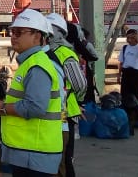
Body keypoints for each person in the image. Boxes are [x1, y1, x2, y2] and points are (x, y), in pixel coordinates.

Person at [0, 9, 64, 177]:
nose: (13, 36)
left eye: (19, 32)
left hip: (36, 153)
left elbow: (35, 107)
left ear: (37, 36)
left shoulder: (37, 66)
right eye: (13, 31)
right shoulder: (30, 63)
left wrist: (2, 108)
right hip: (29, 152)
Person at [48, 13, 87, 176]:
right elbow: (80, 85)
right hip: (56, 112)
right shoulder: (49, 53)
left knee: (62, 157)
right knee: (58, 156)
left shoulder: (63, 54)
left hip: (61, 112)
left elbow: (80, 85)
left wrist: (76, 101)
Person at [117, 29, 138, 106]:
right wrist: (119, 75)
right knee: (124, 95)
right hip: (126, 73)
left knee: (137, 95)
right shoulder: (125, 48)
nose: (129, 40)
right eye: (128, 38)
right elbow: (121, 62)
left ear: (136, 38)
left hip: (137, 74)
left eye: (132, 38)